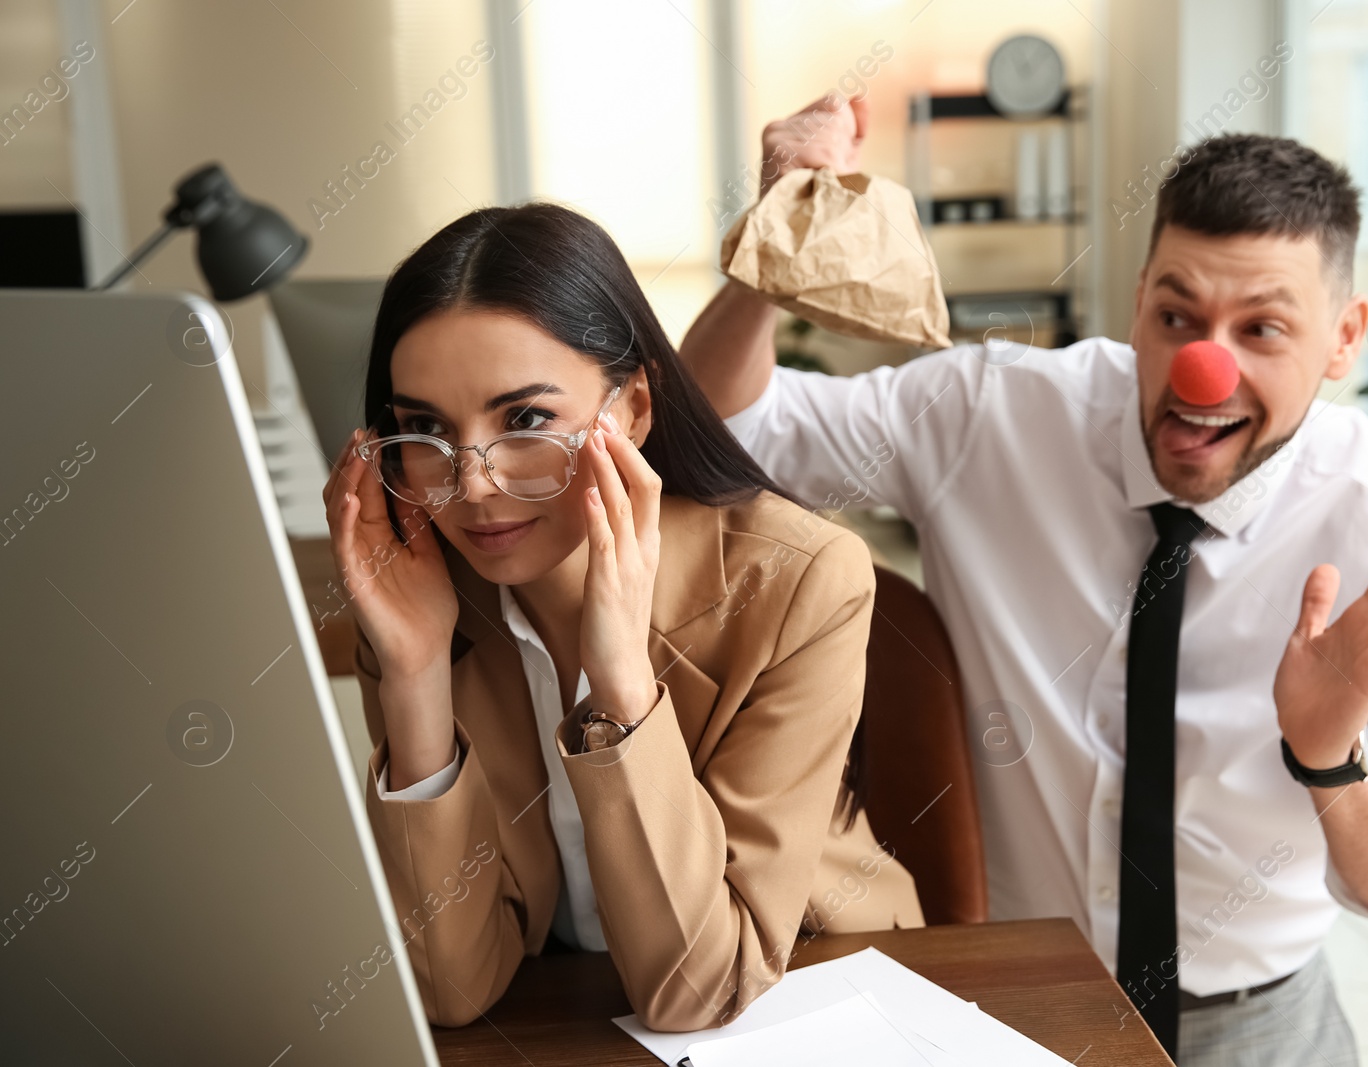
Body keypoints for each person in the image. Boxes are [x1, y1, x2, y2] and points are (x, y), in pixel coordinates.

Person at [678, 95, 1368, 1065]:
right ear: (1138, 297)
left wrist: (1329, 760)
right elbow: (722, 438)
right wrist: (778, 239)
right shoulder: (987, 415)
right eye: (1176, 314)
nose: (1205, 368)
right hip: (1018, 1001)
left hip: (1260, 1025)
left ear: (1344, 336)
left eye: (1262, 329)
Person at [321, 202, 923, 1031]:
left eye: (525, 418)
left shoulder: (800, 580)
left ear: (633, 408)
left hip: (812, 1007)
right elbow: (453, 991)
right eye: (425, 427)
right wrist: (418, 673)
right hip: (572, 1023)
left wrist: (621, 686)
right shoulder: (424, 599)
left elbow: (699, 992)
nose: (473, 485)